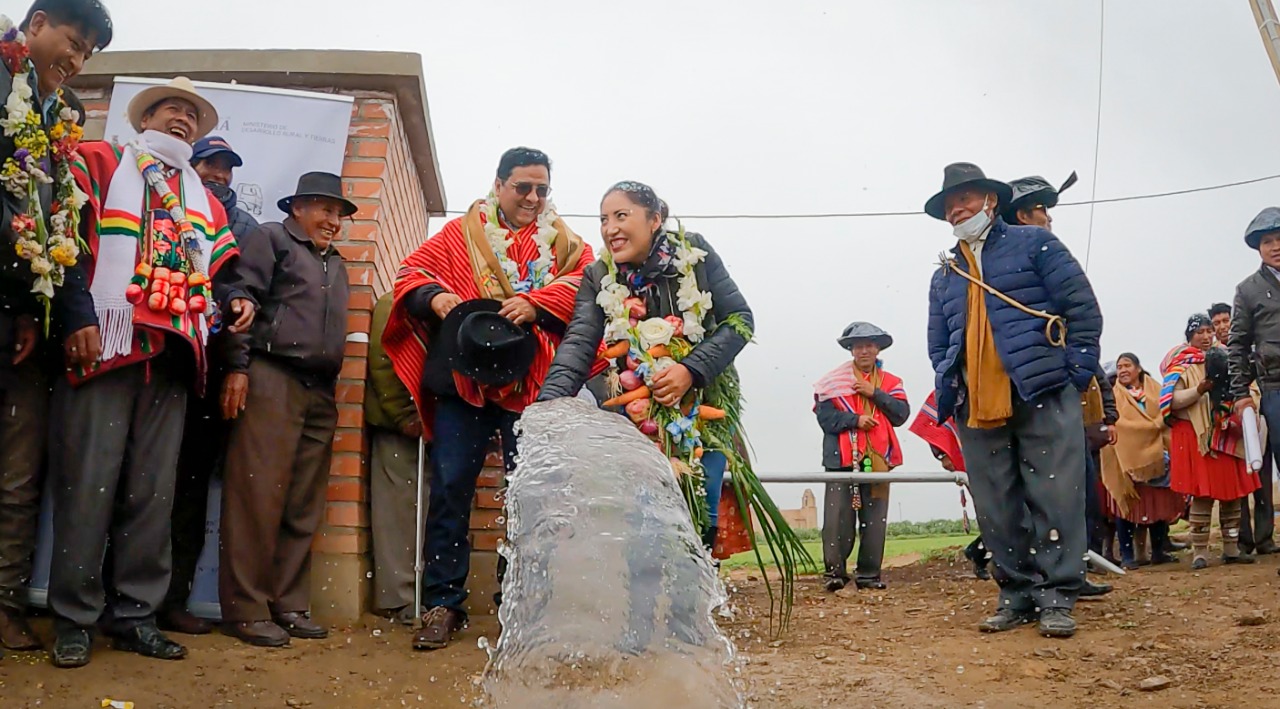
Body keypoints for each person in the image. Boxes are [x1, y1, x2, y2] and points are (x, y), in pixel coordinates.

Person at [49, 76, 254, 668]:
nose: (183, 120)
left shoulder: (205, 200)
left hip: (171, 357)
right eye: (172, 109)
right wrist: (77, 318)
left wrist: (238, 297)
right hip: (105, 347)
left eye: (192, 115)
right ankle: (74, 618)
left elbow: (216, 271)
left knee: (152, 494)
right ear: (146, 116)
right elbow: (63, 241)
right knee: (87, 488)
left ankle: (136, 614)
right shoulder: (101, 159)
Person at [537, 180, 802, 632]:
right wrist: (547, 407)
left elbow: (741, 320)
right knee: (639, 520)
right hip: (634, 418)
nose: (610, 228)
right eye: (604, 219)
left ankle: (687, 627)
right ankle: (639, 630)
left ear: (654, 218)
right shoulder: (599, 276)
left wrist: (690, 371)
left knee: (699, 515)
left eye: (622, 216)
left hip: (704, 415)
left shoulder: (692, 256)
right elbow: (579, 343)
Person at [382, 147, 594, 651]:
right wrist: (435, 296)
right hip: (466, 383)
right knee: (452, 485)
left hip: (535, 385)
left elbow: (589, 286)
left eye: (542, 189)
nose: (534, 198)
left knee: (534, 495)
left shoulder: (567, 243)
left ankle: (521, 605)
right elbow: (409, 274)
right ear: (498, 185)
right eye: (523, 187)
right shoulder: (460, 233)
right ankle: (443, 603)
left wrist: (537, 301)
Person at [924, 163, 1102, 639]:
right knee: (996, 503)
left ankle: (1058, 594)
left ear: (992, 201)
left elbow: (1082, 309)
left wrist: (1075, 374)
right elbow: (939, 342)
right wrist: (952, 385)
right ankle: (1016, 593)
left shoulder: (1036, 244)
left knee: (1055, 493)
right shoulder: (946, 274)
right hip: (975, 402)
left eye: (967, 198)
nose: (958, 208)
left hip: (1041, 389)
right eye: (950, 203)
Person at [0, 0, 111, 653]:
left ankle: (6, 604)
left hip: (23, 324)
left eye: (90, 54)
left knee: (16, 480)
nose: (77, 61)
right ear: (35, 23)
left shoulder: (59, 121)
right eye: (74, 41)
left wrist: (67, 313)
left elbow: (61, 230)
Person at [217, 172, 352, 647]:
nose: (333, 220)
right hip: (271, 377)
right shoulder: (271, 237)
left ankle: (288, 602)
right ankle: (246, 609)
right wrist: (238, 368)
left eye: (338, 213)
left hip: (320, 390)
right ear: (297, 207)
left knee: (301, 502)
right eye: (324, 209)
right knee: (257, 497)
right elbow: (240, 302)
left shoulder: (336, 263)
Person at [160, 135, 260, 636]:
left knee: (191, 490)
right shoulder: (162, 203)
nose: (219, 176)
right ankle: (124, 600)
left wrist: (236, 366)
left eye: (226, 169)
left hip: (211, 371)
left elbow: (241, 298)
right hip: (160, 360)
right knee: (143, 481)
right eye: (209, 166)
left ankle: (173, 599)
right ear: (189, 166)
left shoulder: (240, 226)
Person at [813, 322, 909, 592]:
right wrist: (855, 419)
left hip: (877, 458)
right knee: (836, 518)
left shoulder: (891, 382)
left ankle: (869, 574)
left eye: (869, 345)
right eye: (858, 346)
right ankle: (835, 573)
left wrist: (873, 393)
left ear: (878, 349)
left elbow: (901, 414)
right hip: (840, 458)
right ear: (851, 350)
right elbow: (826, 418)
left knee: (875, 517)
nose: (864, 350)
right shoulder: (832, 382)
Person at [1164, 314, 1259, 569]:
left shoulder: (1227, 357)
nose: (1206, 336)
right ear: (1190, 336)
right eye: (1200, 332)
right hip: (1199, 437)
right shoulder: (1180, 363)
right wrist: (1200, 390)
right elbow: (1171, 401)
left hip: (1227, 434)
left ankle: (1231, 548)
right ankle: (1200, 552)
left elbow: (1248, 388)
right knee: (1202, 496)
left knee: (1231, 496)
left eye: (1209, 331)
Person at [367, 290, 425, 624]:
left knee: (421, 505)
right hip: (399, 423)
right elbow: (382, 356)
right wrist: (404, 414)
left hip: (429, 423)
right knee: (398, 508)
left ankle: (416, 594)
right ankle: (397, 598)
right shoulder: (397, 301)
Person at [1101, 353, 1185, 569]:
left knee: (1158, 504)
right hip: (1125, 457)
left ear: (1138, 368)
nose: (1122, 370)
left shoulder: (1155, 389)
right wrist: (1139, 432)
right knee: (1127, 507)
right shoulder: (1113, 396)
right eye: (1119, 367)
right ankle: (1128, 556)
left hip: (1157, 456)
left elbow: (1166, 413)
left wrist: (1152, 432)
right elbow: (1116, 423)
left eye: (1127, 365)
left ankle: (1158, 552)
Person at [1229, 207, 1280, 562]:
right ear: (1258, 249)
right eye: (1268, 241)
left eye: (1279, 239)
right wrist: (1241, 393)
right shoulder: (1247, 290)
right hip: (1275, 386)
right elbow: (1237, 344)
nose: (1276, 246)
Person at [909, 393, 990, 579]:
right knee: (992, 510)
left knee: (1015, 508)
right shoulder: (955, 376)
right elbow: (934, 416)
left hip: (1000, 448)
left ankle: (980, 551)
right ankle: (986, 553)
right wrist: (942, 454)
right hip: (971, 455)